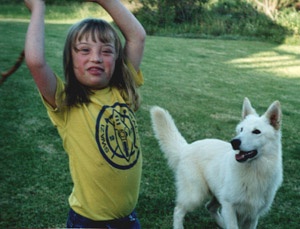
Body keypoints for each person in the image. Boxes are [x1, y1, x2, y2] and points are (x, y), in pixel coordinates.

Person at [24, 0, 146, 228]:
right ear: (71, 61)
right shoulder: (66, 102)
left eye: (106, 51)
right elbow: (36, 62)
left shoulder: (122, 90)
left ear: (117, 60)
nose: (96, 58)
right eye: (84, 50)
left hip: (129, 220)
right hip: (88, 222)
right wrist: (38, 7)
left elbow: (137, 37)